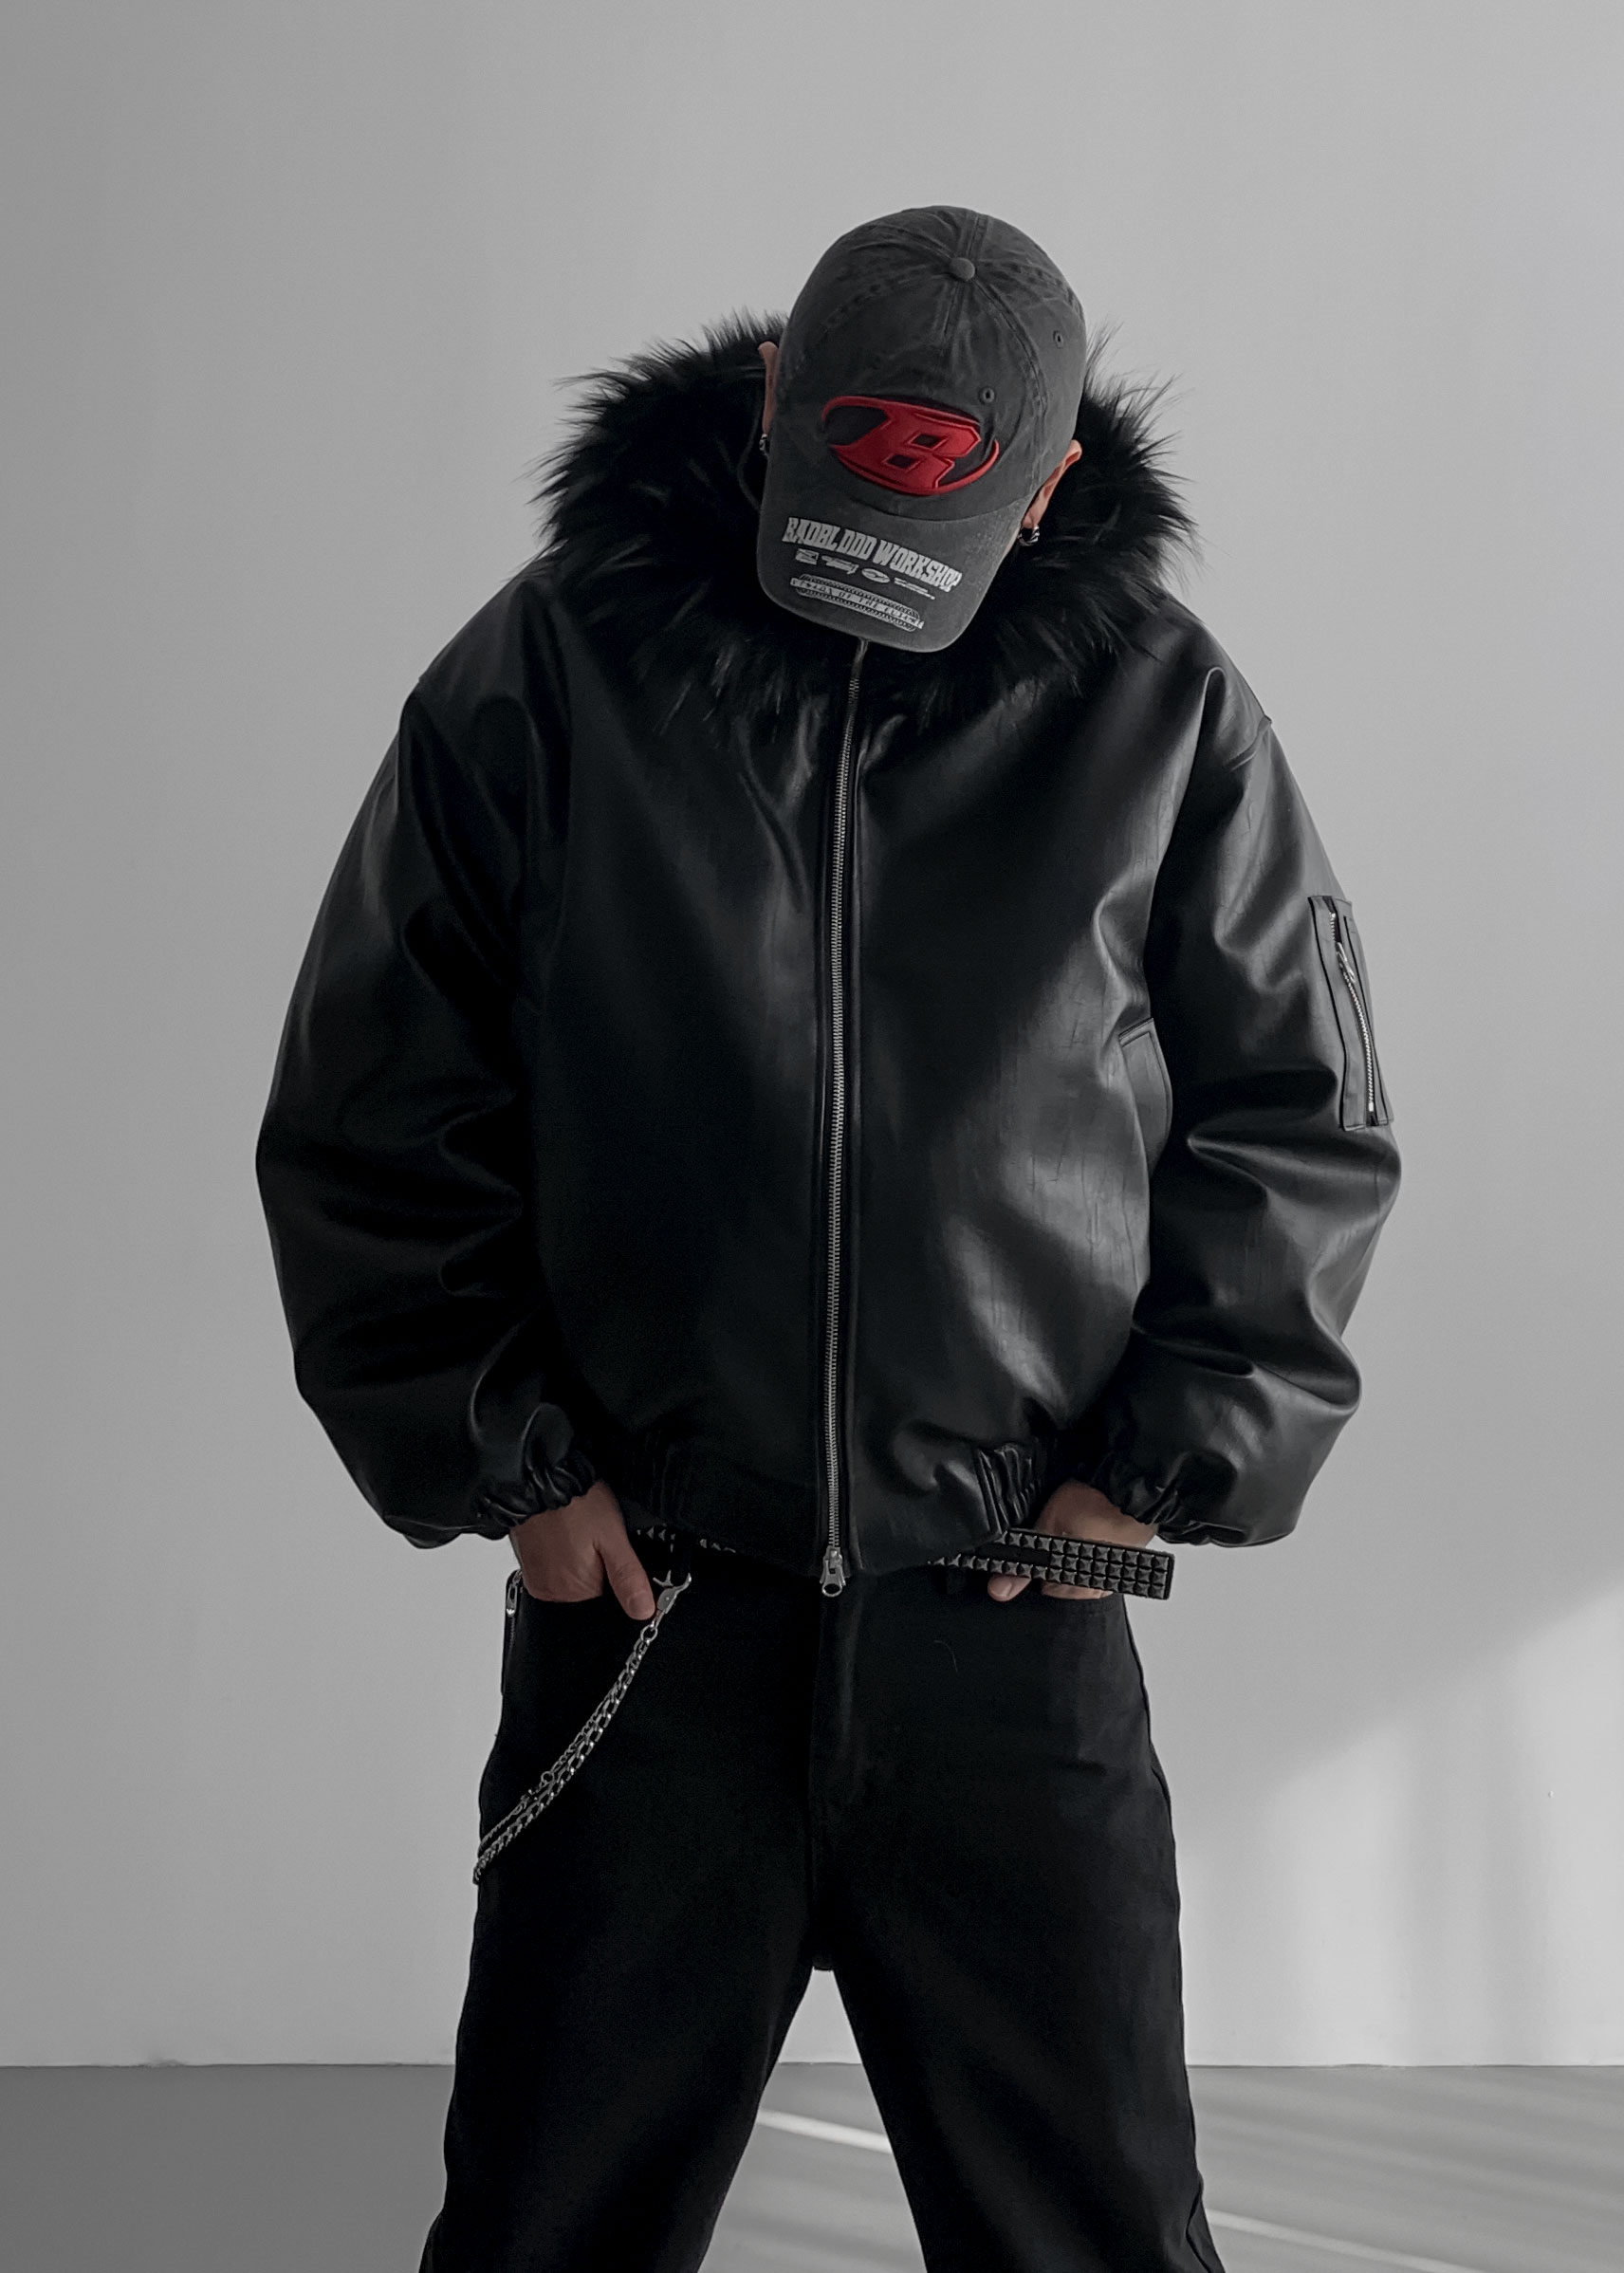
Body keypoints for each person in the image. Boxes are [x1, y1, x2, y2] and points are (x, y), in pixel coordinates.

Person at [256, 206, 1400, 2273]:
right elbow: (374, 1099)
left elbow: (1298, 1117)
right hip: (652, 1614)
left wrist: (1149, 1474)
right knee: (544, 2233)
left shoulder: (1158, 711)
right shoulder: (553, 668)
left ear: (1046, 483)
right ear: (776, 391)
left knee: (1095, 2238)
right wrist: (512, 1468)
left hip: (1010, 1621)